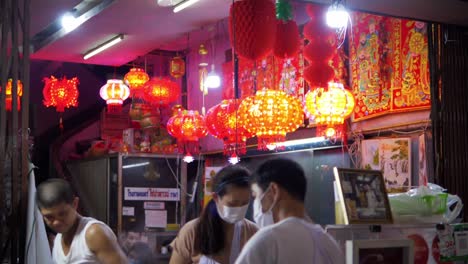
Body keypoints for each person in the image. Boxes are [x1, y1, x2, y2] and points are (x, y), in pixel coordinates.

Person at [235, 158, 344, 264]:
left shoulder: (267, 240)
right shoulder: (329, 244)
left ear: (273, 191)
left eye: (256, 195)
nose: (256, 203)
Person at [170, 165, 258, 264]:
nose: (239, 208)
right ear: (216, 197)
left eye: (245, 203)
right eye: (232, 203)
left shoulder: (253, 232)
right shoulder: (193, 231)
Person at [37, 178, 128, 264]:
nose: (56, 222)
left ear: (75, 204)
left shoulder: (93, 233)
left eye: (62, 214)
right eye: (49, 217)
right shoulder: (58, 239)